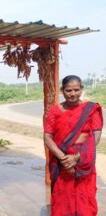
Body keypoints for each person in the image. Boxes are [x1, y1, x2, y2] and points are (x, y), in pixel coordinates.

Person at [44, 75, 103, 216]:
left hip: (83, 164)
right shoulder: (54, 111)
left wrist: (76, 158)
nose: (73, 94)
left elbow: (95, 138)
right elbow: (47, 137)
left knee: (84, 199)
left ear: (81, 89)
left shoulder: (91, 109)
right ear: (62, 90)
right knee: (62, 199)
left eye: (76, 90)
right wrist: (64, 159)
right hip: (61, 164)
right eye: (68, 90)